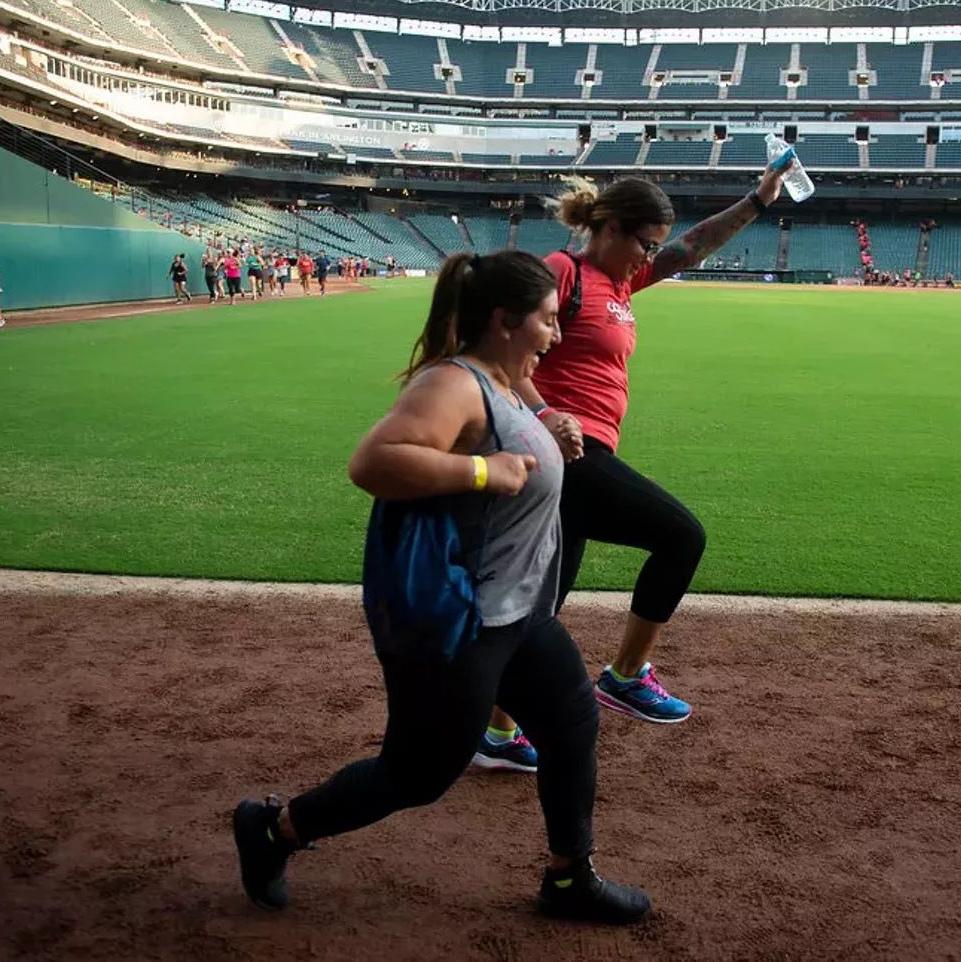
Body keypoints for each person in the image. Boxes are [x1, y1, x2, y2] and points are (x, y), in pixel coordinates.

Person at [231, 249, 650, 926]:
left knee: (572, 725)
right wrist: (485, 474)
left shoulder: (507, 380)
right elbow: (374, 461)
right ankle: (273, 829)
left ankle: (571, 877)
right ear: (504, 320)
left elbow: (520, 437)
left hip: (521, 619)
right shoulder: (455, 385)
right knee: (416, 776)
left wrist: (550, 425)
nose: (556, 334)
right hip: (463, 625)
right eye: (546, 321)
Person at [483, 165, 788, 752]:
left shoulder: (620, 284)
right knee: (680, 537)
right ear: (611, 228)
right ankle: (625, 676)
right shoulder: (562, 272)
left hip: (575, 454)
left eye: (653, 246)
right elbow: (500, 352)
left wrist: (757, 199)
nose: (648, 256)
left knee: (542, 608)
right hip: (561, 451)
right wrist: (546, 414)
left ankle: (497, 731)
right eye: (643, 243)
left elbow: (691, 248)